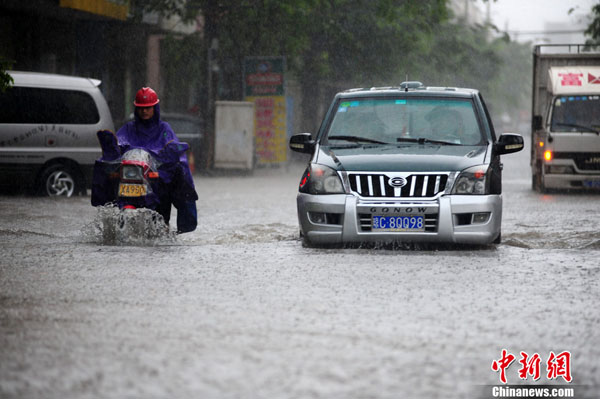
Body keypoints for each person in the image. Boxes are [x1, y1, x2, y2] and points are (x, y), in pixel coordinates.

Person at [93, 87, 198, 233]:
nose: (144, 111)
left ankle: (180, 222)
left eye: (148, 108)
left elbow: (172, 147)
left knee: (181, 175)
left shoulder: (164, 129)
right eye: (141, 108)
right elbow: (120, 142)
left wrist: (165, 165)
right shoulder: (129, 128)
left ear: (154, 107)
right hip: (130, 176)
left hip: (156, 179)